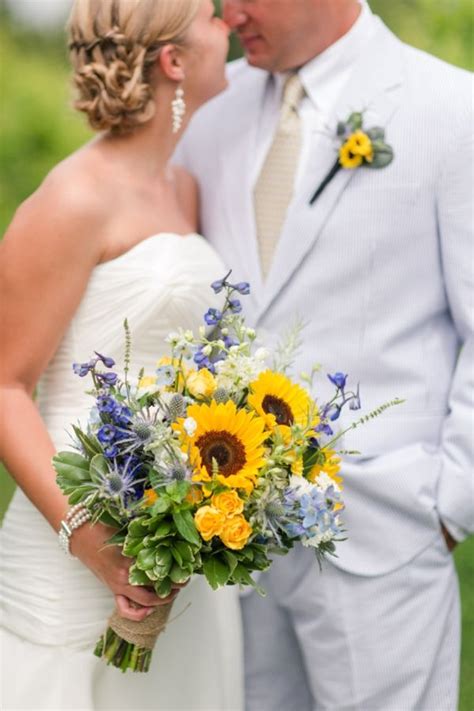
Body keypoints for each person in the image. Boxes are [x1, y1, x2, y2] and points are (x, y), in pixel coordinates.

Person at [174, 0, 473, 708]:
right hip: (231, 550)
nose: (228, 11)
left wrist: (446, 503)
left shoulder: (451, 111)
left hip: (384, 541)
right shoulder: (209, 116)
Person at [0, 1, 243, 710]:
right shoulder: (71, 198)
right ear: (173, 60)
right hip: (71, 547)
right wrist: (91, 539)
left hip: (177, 549)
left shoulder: (184, 188)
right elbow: (5, 383)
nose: (226, 20)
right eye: (210, 13)